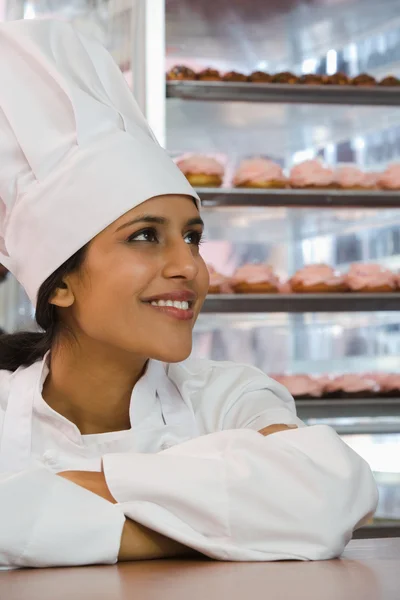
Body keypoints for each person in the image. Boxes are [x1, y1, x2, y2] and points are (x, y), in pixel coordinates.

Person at [0, 19, 377, 570]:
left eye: (193, 237)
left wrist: (84, 485)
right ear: (60, 283)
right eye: (145, 236)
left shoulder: (227, 395)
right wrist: (210, 523)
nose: (190, 267)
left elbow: (332, 494)